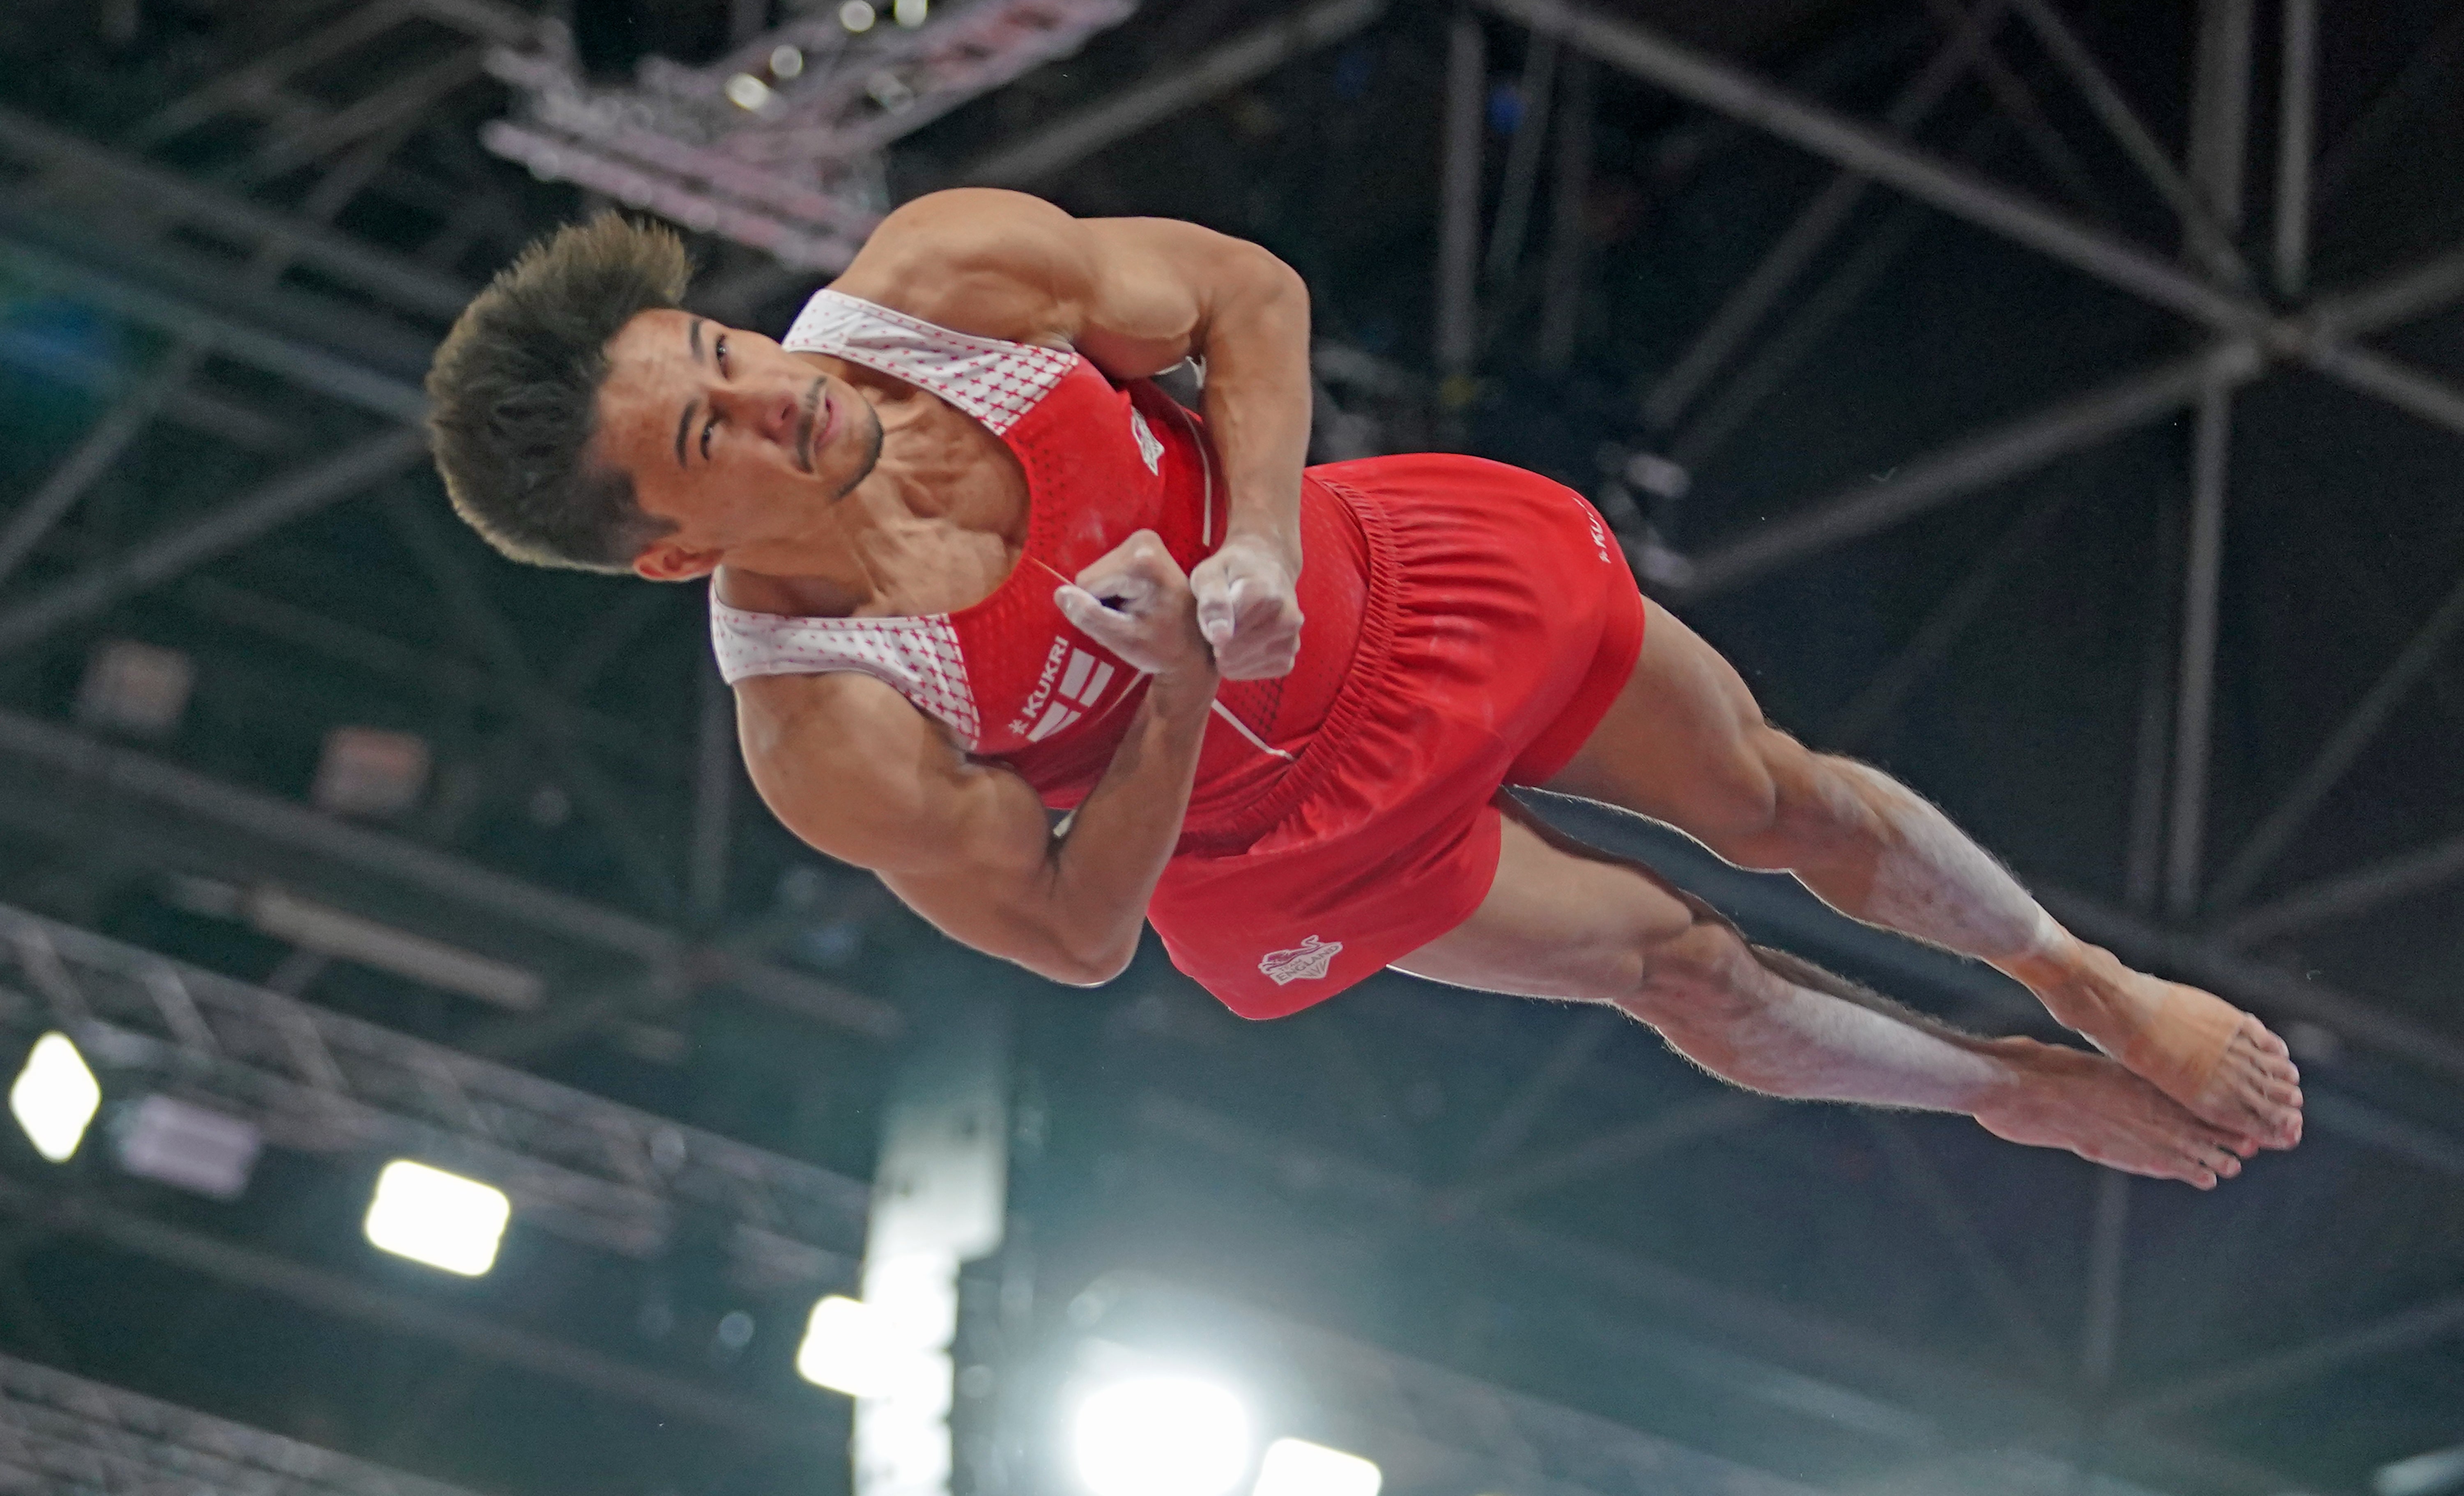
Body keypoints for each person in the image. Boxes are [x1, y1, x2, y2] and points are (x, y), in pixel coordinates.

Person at [425, 191, 2302, 1189]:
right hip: (1274, 841)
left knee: (1772, 796)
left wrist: (1247, 545)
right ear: (673, 552)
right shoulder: (821, 722)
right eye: (711, 434)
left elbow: (1248, 295)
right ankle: (2001, 1090)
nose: (775, 391)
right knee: (1682, 966)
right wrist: (1167, 688)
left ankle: (2089, 980)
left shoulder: (940, 282)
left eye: (723, 345)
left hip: (1391, 586)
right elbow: (1081, 935)